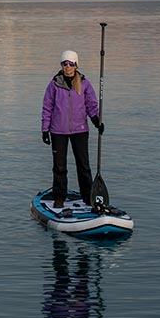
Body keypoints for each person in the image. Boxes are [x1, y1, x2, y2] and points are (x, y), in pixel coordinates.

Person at [41, 50, 104, 209]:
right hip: (58, 131)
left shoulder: (84, 83)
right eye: (64, 63)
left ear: (76, 65)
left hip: (80, 130)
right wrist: (45, 129)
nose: (67, 67)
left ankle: (88, 196)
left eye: (71, 64)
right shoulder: (54, 84)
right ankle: (59, 197)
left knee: (83, 165)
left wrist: (96, 120)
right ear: (61, 65)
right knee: (59, 167)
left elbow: (91, 105)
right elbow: (47, 107)